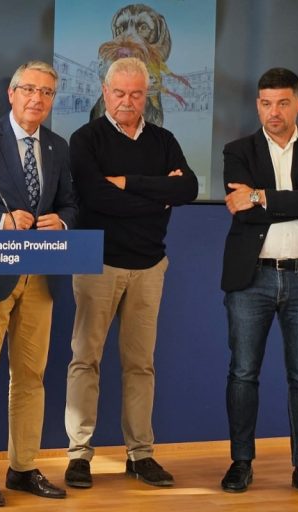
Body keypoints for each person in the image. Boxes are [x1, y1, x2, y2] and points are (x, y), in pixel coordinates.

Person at [0, 61, 78, 507]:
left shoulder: (58, 148)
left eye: (46, 93)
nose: (36, 99)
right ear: (11, 93)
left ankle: (23, 467)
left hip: (40, 278)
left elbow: (72, 205)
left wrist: (61, 220)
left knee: (31, 376)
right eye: (28, 90)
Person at [63, 56, 197, 489]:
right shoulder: (85, 139)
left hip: (149, 266)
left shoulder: (163, 139)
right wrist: (157, 194)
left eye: (136, 94)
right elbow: (95, 198)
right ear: (105, 93)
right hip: (96, 262)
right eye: (119, 93)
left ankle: (140, 454)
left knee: (141, 364)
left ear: (146, 96)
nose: (127, 101)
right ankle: (79, 455)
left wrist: (128, 182)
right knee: (86, 360)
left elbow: (188, 188)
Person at [219, 68, 298, 501]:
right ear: (257, 105)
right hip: (252, 278)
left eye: (283, 103)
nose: (274, 112)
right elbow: (240, 208)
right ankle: (240, 462)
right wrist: (284, 199)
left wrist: (262, 195)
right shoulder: (238, 150)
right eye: (266, 103)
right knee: (243, 373)